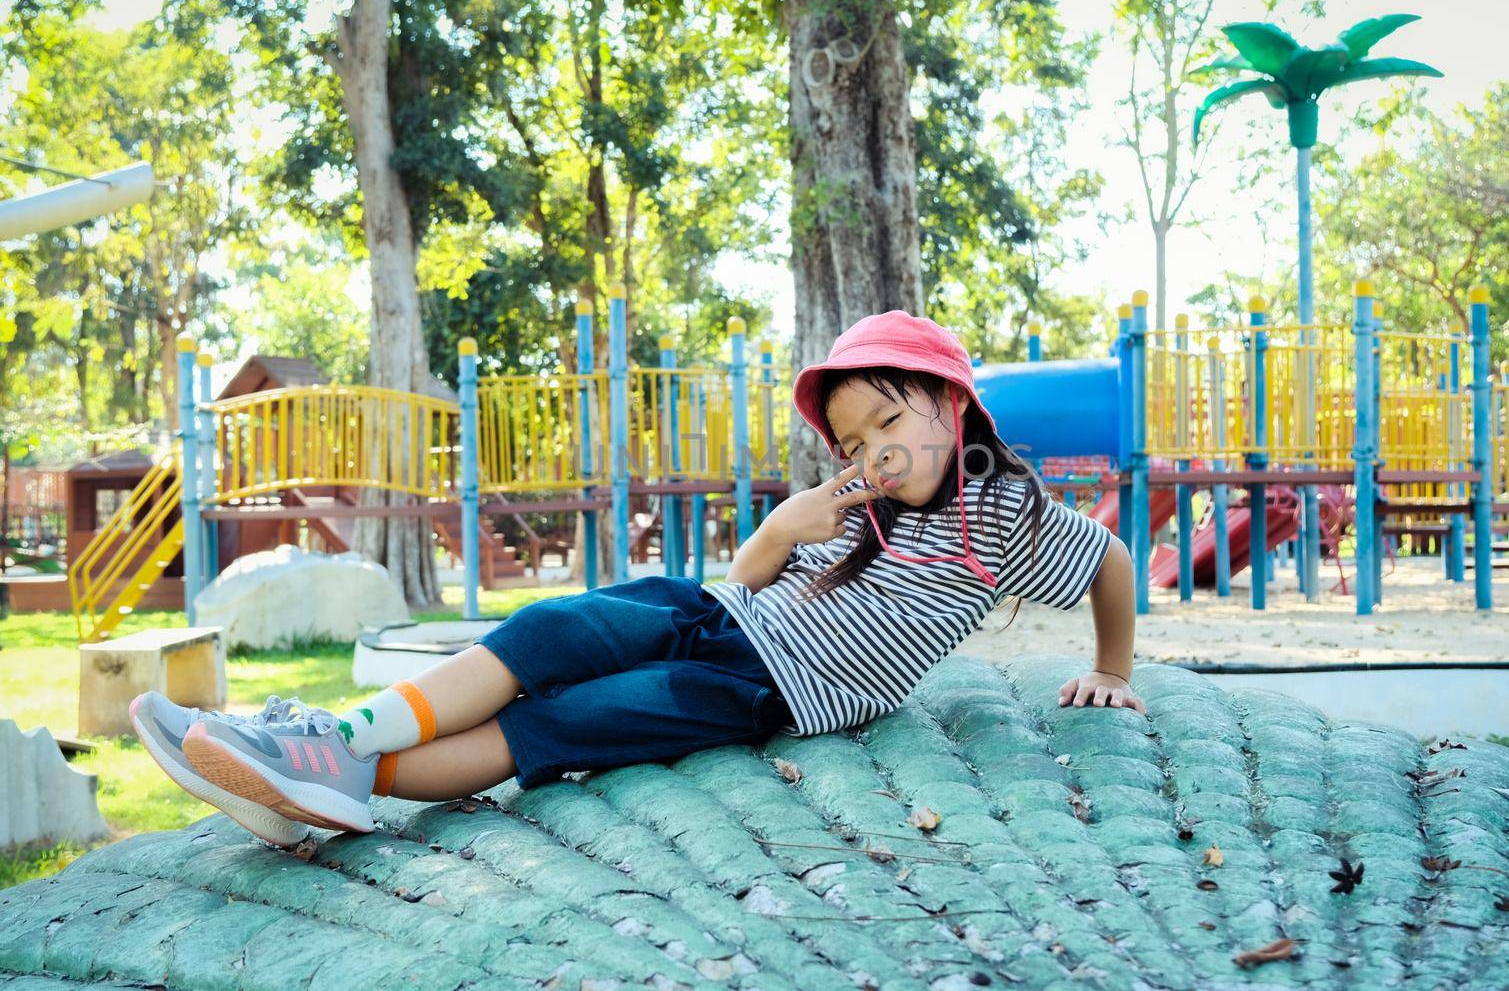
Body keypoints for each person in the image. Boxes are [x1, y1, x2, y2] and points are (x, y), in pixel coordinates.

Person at [132, 309, 1144, 845]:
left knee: (564, 720)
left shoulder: (999, 509)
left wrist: (1111, 663)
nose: (871, 449)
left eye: (889, 420)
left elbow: (1107, 557)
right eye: (850, 435)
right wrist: (788, 527)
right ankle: (326, 741)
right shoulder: (858, 502)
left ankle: (339, 780)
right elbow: (752, 576)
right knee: (543, 633)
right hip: (715, 612)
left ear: (952, 404)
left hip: (761, 687)